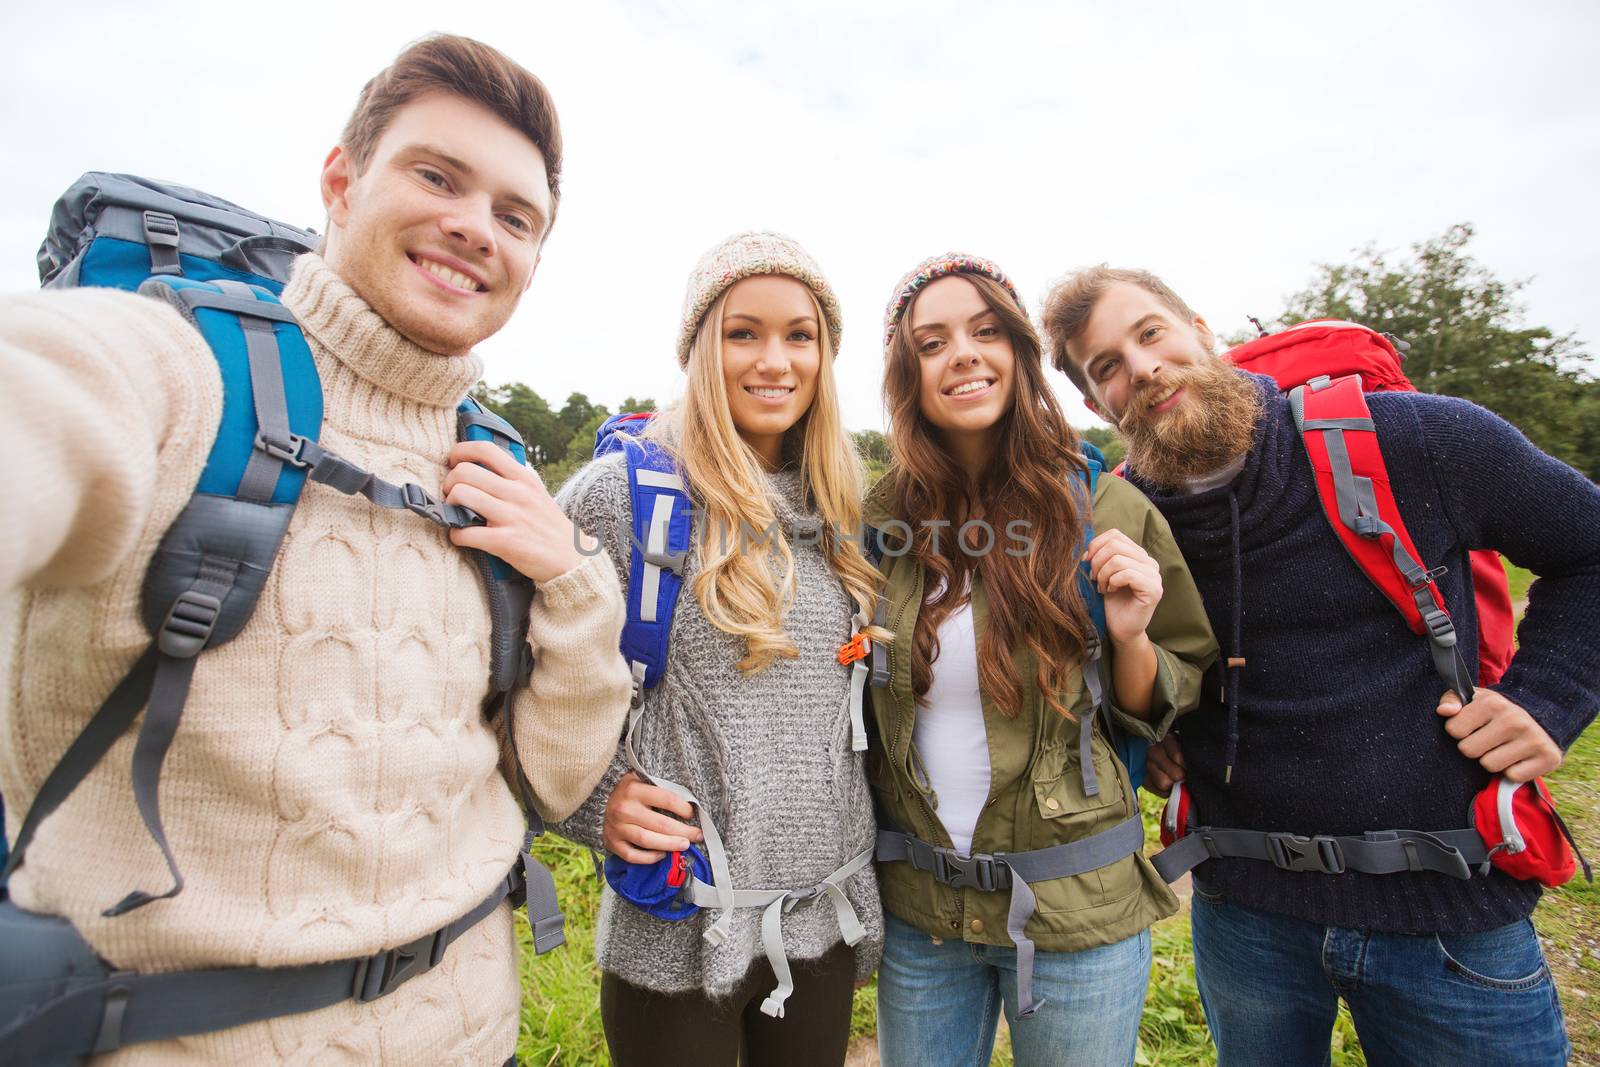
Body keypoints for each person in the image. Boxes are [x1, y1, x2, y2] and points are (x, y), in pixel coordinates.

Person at [0, 34, 633, 1065]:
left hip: (475, 1035)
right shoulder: (175, 369)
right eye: (437, 176)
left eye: (514, 215)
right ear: (340, 180)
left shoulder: (496, 463)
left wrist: (567, 575)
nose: (474, 227)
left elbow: (557, 779)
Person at [1043, 265, 1600, 1066]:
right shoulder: (1122, 519)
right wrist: (1153, 727)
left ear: (1201, 330)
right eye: (1107, 367)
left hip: (1447, 907)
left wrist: (1548, 701)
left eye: (1150, 332)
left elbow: (1587, 547)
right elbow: (1126, 662)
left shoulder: (1413, 439)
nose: (1142, 367)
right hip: (1245, 914)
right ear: (1098, 406)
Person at [866, 254, 1217, 1067]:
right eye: (932, 341)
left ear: (1019, 354)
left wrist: (1129, 635)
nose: (963, 353)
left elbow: (1169, 693)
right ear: (907, 374)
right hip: (922, 916)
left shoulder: (1108, 505)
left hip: (1075, 915)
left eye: (987, 331)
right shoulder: (880, 522)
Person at [551, 232, 885, 1067]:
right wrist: (592, 804)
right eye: (743, 332)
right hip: (677, 931)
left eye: (799, 335)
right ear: (702, 347)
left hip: (820, 925)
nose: (774, 360)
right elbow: (516, 689)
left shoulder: (845, 510)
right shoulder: (626, 497)